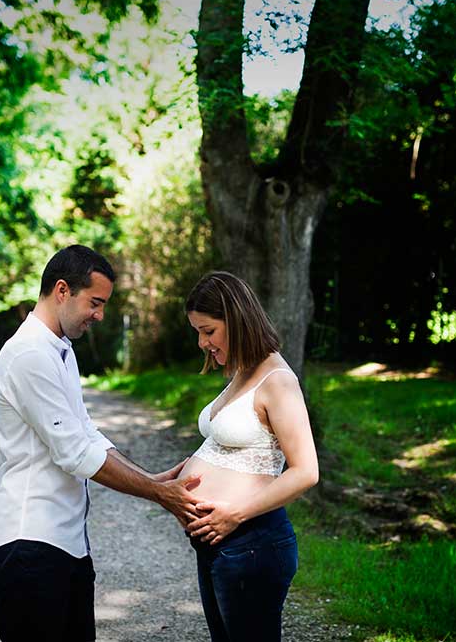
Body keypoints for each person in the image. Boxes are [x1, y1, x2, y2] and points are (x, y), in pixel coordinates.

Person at [0, 244, 201, 642]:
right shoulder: (29, 353)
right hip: (29, 542)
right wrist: (157, 493)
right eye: (95, 303)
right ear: (62, 290)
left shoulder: (60, 348)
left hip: (66, 544)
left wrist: (150, 477)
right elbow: (74, 452)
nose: (99, 315)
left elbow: (87, 432)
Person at [178, 271, 319, 642]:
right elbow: (220, 448)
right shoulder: (243, 373)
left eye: (208, 331)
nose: (202, 342)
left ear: (236, 319)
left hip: (252, 543)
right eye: (198, 332)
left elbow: (306, 471)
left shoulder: (278, 381)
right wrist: (157, 484)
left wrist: (233, 515)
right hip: (219, 543)